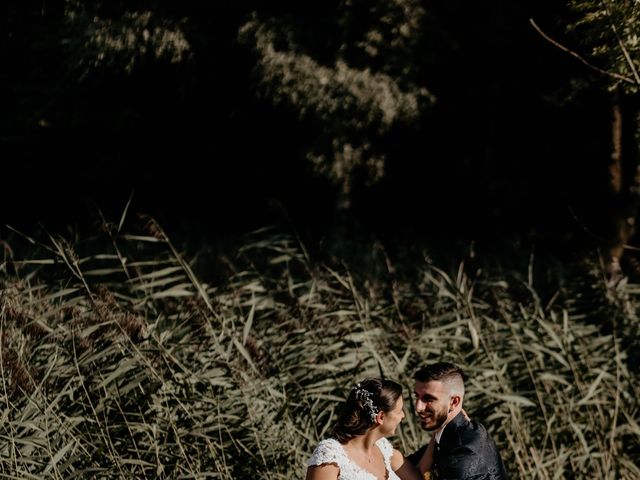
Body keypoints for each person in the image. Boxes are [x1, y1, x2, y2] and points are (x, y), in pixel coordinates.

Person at [407, 362, 508, 480]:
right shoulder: (454, 432)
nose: (418, 408)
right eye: (416, 397)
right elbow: (412, 464)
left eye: (428, 399)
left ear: (454, 402)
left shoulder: (464, 454)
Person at [307, 377, 421, 480]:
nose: (403, 416)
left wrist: (437, 435)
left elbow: (417, 477)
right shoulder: (331, 455)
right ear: (381, 417)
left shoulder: (384, 448)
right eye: (399, 410)